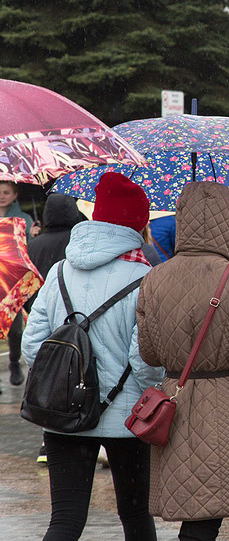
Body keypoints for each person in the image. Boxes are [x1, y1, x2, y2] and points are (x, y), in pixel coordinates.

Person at [24, 172, 162, 540]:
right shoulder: (144, 277)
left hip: (62, 415)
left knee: (65, 520)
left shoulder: (59, 272)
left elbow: (31, 346)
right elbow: (146, 361)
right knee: (135, 516)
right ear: (138, 224)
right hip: (127, 419)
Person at [137, 182, 229, 540]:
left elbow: (148, 351)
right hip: (226, 400)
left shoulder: (153, 277)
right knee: (207, 514)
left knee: (195, 509)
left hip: (173, 397)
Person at [25, 193, 86, 464]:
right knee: (80, 374)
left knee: (50, 379)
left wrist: (30, 309)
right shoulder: (78, 241)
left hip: (43, 317)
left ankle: (46, 441)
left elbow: (26, 280)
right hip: (75, 318)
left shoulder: (34, 244)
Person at [1, 180, 37, 386]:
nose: (2, 196)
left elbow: (29, 253)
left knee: (15, 330)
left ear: (15, 195)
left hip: (14, 283)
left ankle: (14, 360)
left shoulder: (24, 219)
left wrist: (33, 237)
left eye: (7, 192)